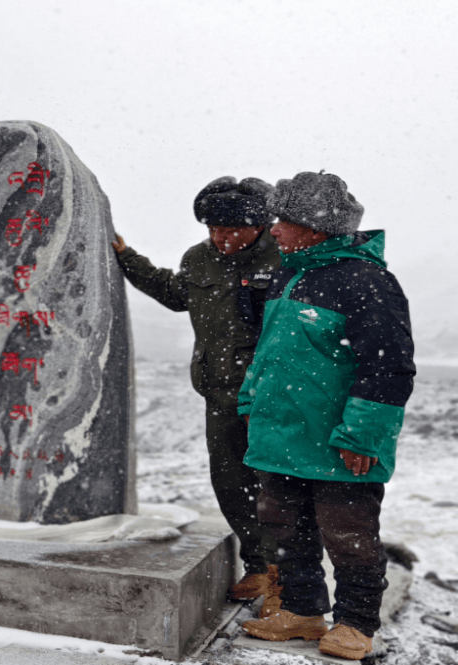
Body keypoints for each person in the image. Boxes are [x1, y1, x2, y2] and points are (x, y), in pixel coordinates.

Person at [238, 172, 415, 660]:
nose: (273, 229)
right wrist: (251, 404)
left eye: (284, 220)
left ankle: (356, 624)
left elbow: (388, 366)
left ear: (315, 228)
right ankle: (302, 611)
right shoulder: (288, 273)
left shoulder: (366, 281)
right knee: (284, 525)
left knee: (350, 534)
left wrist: (361, 436)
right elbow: (267, 353)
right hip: (282, 435)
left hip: (339, 441)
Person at [112, 176, 280, 603]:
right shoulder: (200, 259)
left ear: (258, 225)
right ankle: (260, 567)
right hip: (220, 391)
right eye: (213, 230)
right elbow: (174, 293)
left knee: (279, 486)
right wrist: (127, 258)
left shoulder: (283, 259)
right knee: (231, 481)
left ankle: (289, 579)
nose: (220, 239)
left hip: (274, 396)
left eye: (231, 231)